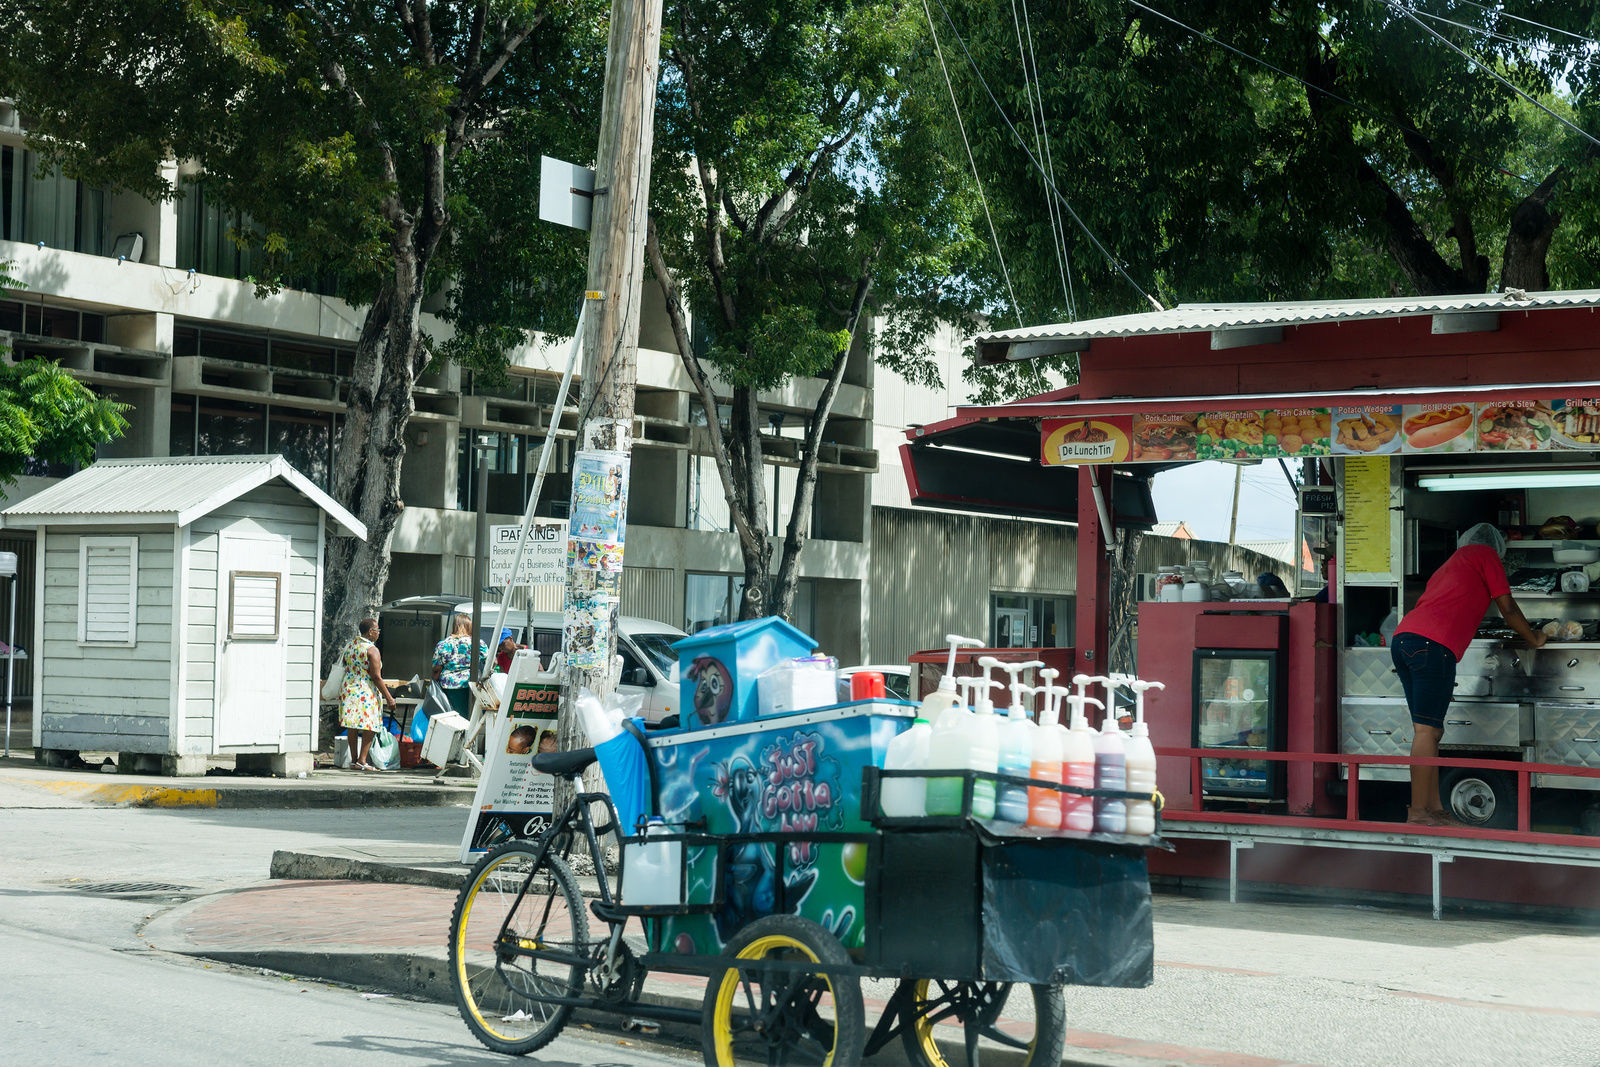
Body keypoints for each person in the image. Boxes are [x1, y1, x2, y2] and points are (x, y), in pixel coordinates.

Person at [1390, 523, 1544, 827]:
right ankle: (1418, 813)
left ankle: (1434, 809)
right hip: (1432, 645)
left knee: (1431, 731)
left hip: (1405, 639)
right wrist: (1533, 638)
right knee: (1426, 731)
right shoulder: (1484, 554)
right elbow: (1507, 607)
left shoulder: (1452, 564)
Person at [339, 618, 395, 771]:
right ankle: (362, 761)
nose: (378, 633)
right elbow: (376, 677)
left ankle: (354, 760)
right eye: (377, 630)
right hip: (365, 689)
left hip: (349, 688)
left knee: (352, 724)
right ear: (371, 632)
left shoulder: (350, 646)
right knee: (370, 725)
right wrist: (389, 697)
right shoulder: (372, 650)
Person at [432, 613, 487, 715]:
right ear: (470, 627)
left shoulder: (443, 643)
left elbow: (437, 668)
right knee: (467, 715)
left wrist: (432, 684)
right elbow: (490, 661)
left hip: (447, 685)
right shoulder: (477, 642)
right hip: (469, 683)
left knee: (450, 715)